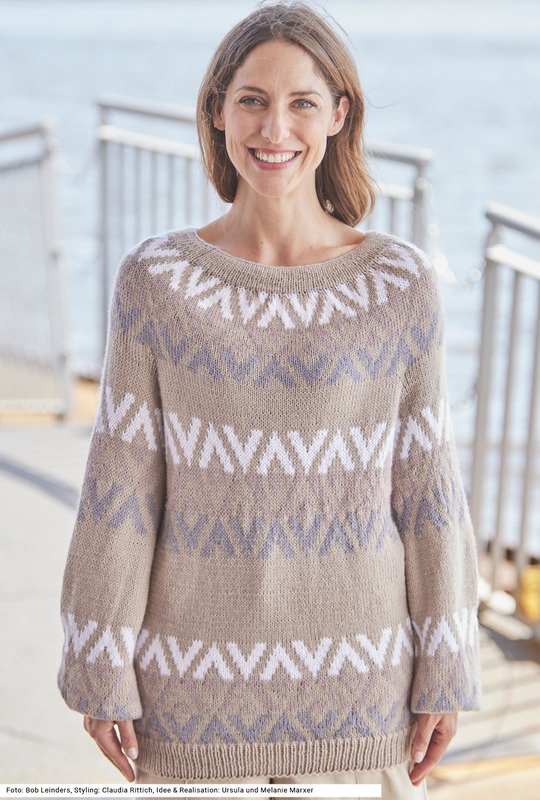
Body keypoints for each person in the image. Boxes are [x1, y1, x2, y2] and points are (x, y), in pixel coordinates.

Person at [57, 2, 482, 798]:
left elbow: (428, 492)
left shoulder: (398, 285)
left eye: (302, 103)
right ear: (217, 110)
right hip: (188, 698)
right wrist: (97, 660)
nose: (274, 128)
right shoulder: (157, 282)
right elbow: (121, 491)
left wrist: (448, 663)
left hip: (364, 697)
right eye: (252, 99)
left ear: (339, 115)